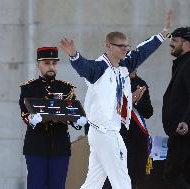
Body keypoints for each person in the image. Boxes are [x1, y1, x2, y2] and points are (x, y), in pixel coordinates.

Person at [59, 10, 172, 189]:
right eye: (121, 46)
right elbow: (84, 67)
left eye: (126, 46)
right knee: (122, 181)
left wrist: (163, 34)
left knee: (93, 182)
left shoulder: (124, 66)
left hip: (105, 131)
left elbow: (142, 51)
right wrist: (74, 56)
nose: (125, 50)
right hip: (106, 132)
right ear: (108, 46)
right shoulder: (99, 68)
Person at [19, 47, 87, 189]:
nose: (51, 67)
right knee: (36, 185)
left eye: (54, 63)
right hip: (36, 146)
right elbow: (24, 113)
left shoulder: (66, 88)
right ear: (38, 65)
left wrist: (79, 121)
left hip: (60, 146)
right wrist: (32, 119)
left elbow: (72, 113)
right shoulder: (29, 88)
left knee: (58, 186)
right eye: (47, 63)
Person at [103, 69, 154, 189]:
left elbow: (148, 112)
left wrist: (137, 102)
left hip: (135, 139)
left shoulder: (141, 83)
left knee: (132, 179)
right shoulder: (113, 81)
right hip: (116, 136)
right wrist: (129, 100)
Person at [162, 26, 190, 189]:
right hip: (181, 130)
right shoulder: (182, 64)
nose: (171, 44)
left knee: (172, 175)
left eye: (174, 40)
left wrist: (186, 121)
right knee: (184, 174)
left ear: (186, 43)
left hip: (183, 132)